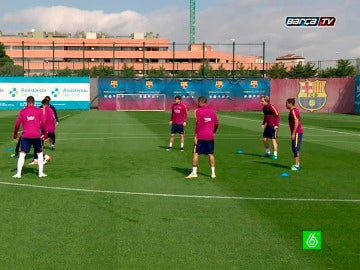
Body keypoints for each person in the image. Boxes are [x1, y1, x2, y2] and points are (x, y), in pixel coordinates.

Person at [12, 96, 47, 178]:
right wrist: (45, 133)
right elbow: (43, 123)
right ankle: (40, 173)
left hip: (25, 136)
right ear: (34, 102)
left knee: (22, 154)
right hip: (36, 135)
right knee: (40, 153)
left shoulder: (22, 111)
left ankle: (18, 174)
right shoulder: (38, 110)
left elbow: (17, 124)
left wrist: (15, 135)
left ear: (26, 102)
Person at [186, 96, 219, 179]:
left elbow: (198, 124)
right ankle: (213, 174)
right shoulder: (212, 111)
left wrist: (196, 136)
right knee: (210, 154)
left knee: (195, 153)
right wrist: (213, 132)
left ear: (200, 102)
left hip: (201, 136)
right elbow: (217, 123)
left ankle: (194, 173)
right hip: (210, 136)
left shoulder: (198, 111)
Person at [286, 98, 303, 171]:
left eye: (286, 103)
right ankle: (297, 163)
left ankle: (296, 166)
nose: (286, 105)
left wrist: (293, 133)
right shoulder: (293, 111)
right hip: (296, 132)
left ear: (290, 104)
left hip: (297, 133)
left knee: (295, 149)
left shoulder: (293, 111)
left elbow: (297, 122)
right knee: (294, 149)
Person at [260, 95, 280, 160]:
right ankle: (268, 152)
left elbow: (277, 115)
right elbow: (265, 116)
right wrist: (263, 123)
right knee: (264, 139)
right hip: (268, 126)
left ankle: (275, 155)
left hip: (273, 126)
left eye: (262, 101)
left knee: (273, 140)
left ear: (266, 101)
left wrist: (276, 125)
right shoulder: (264, 108)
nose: (261, 102)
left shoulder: (271, 107)